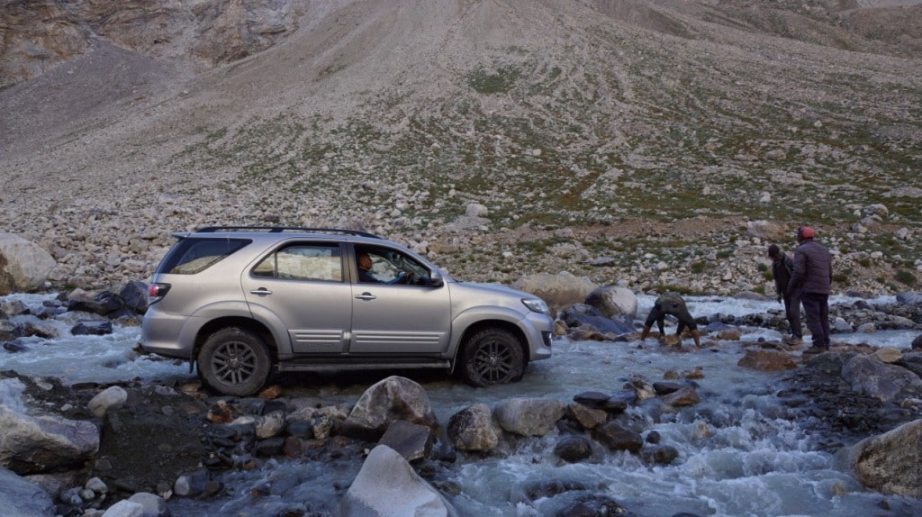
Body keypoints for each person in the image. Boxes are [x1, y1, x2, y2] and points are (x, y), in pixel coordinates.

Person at [786, 226, 832, 354]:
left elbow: (798, 272)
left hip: (810, 289)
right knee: (823, 317)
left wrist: (791, 287)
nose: (797, 236)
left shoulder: (801, 250)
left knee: (813, 318)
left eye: (797, 234)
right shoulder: (824, 249)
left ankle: (818, 344)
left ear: (801, 236)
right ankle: (826, 343)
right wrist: (827, 285)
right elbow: (830, 271)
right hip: (824, 288)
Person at [768, 244, 802, 345]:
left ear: (777, 254)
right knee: (789, 314)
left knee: (793, 312)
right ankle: (794, 334)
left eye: (774, 256)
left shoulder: (788, 261)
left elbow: (797, 274)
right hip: (785, 291)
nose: (773, 258)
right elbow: (777, 280)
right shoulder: (775, 264)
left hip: (795, 290)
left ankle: (798, 336)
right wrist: (778, 293)